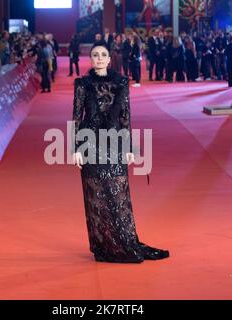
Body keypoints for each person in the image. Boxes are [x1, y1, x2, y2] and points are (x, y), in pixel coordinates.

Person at [72, 43, 170, 263]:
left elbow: (126, 117)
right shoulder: (82, 84)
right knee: (95, 196)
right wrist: (76, 150)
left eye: (103, 55)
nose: (99, 58)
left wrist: (130, 148)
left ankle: (123, 241)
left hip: (115, 142)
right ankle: (103, 246)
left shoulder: (121, 83)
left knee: (118, 193)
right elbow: (76, 118)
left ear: (109, 59)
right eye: (95, 55)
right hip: (89, 144)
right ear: (91, 59)